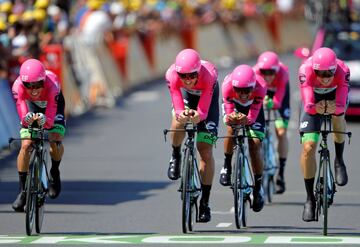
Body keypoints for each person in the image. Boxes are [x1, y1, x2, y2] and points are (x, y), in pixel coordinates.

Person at [166, 48, 219, 222]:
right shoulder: (171, 75)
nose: (188, 80)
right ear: (177, 73)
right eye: (183, 76)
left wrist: (198, 116)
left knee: (205, 151)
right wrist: (182, 114)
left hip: (207, 100)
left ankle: (205, 202)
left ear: (198, 71)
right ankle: (176, 155)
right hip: (186, 97)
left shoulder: (209, 75)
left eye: (192, 75)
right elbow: (177, 102)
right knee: (177, 121)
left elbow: (203, 112)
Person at [298, 47, 349, 222]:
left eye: (329, 73)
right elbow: (307, 104)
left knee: (338, 117)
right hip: (313, 101)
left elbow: (342, 101)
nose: (325, 77)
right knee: (308, 148)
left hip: (335, 98)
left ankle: (339, 160)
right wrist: (315, 107)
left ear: (335, 69)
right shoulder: (305, 69)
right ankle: (309, 198)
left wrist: (336, 107)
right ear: (314, 70)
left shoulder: (343, 70)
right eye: (320, 73)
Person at [11, 58, 66, 212]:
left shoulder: (52, 84)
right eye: (29, 85)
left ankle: (55, 171)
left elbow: (49, 121)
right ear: (23, 83)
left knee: (55, 139)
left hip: (52, 106)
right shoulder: (17, 87)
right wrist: (28, 120)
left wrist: (45, 121)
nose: (34, 89)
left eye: (38, 85)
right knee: (26, 144)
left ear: (44, 80)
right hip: (31, 106)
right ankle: (23, 190)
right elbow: (23, 116)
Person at [219, 64, 266, 212]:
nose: (243, 94)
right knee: (230, 128)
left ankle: (258, 187)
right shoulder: (227, 85)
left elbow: (253, 115)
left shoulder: (261, 86)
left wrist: (248, 120)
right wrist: (233, 118)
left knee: (255, 144)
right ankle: (227, 165)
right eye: (239, 90)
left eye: (247, 90)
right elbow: (228, 112)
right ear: (234, 87)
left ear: (253, 86)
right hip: (233, 107)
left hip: (253, 110)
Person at [253, 51, 290, 194]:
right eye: (264, 72)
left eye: (271, 72)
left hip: (278, 97)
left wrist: (271, 104)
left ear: (277, 70)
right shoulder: (255, 73)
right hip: (261, 93)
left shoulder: (283, 74)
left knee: (281, 132)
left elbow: (278, 101)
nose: (267, 76)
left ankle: (280, 173)